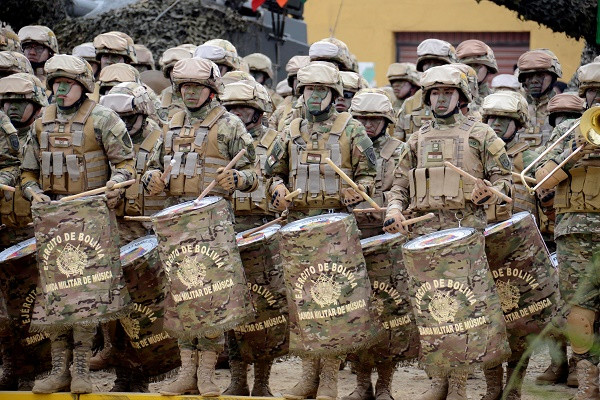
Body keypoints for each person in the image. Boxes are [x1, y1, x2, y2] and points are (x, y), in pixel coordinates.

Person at [383, 64, 512, 400]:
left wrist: (491, 190)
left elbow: (506, 181)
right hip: (424, 235)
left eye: (448, 92)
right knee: (434, 310)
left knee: (472, 310)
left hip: (467, 233)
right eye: (435, 93)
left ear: (461, 96)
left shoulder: (482, 135)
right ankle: (442, 380)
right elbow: (398, 185)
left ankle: (480, 386)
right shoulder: (416, 140)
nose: (440, 99)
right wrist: (394, 210)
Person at [141, 57, 257, 396]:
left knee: (211, 299)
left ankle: (206, 375)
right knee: (180, 297)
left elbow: (254, 174)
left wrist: (237, 178)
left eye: (197, 87)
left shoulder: (231, 125)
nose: (190, 93)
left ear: (211, 90)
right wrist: (151, 180)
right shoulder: (168, 123)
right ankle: (185, 372)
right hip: (175, 223)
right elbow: (149, 168)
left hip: (213, 225)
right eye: (185, 87)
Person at [20, 54, 135, 394]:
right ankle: (58, 369)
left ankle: (81, 368)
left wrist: (117, 185)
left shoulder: (103, 119)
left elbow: (126, 164)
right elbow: (27, 171)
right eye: (55, 84)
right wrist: (33, 192)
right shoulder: (41, 123)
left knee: (86, 296)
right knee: (54, 296)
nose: (60, 89)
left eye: (66, 84)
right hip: (52, 220)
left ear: (83, 86)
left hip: (91, 220)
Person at [264, 61, 377, 400]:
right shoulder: (289, 128)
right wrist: (277, 190)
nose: (315, 96)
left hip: (337, 228)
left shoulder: (352, 128)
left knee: (333, 302)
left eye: (321, 90)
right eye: (309, 90)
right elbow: (270, 173)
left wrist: (356, 190)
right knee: (302, 304)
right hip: (298, 228)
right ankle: (307, 376)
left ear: (334, 94)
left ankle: (329, 379)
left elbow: (369, 174)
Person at [533, 61, 600, 398]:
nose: (598, 99)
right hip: (575, 234)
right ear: (584, 95)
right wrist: (575, 154)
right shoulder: (566, 132)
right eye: (593, 93)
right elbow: (541, 183)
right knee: (578, 309)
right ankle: (588, 385)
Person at [0, 72, 48, 390]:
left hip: (33, 232)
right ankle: (14, 368)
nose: (13, 108)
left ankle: (36, 367)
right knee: (6, 312)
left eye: (21, 102)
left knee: (32, 308)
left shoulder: (49, 132)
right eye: (8, 102)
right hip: (5, 230)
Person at [350, 88, 402, 239]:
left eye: (375, 119)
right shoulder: (342, 150)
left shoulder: (401, 151)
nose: (367, 125)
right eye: (361, 119)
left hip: (388, 233)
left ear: (387, 120)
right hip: (350, 234)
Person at [395, 39, 457, 141]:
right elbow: (398, 144)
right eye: (427, 63)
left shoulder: (463, 101)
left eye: (437, 63)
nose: (431, 68)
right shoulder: (410, 104)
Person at [268, 55, 310, 132]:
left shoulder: (321, 108)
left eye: (304, 80)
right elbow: (270, 135)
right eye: (297, 80)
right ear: (291, 82)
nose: (300, 84)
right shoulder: (282, 110)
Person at [456, 39, 498, 107]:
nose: (472, 70)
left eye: (477, 65)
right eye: (467, 66)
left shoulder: (497, 100)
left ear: (489, 69)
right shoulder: (452, 98)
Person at [158, 45, 194, 121]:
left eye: (181, 69)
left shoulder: (202, 96)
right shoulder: (162, 98)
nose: (177, 73)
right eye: (173, 70)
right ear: (168, 72)